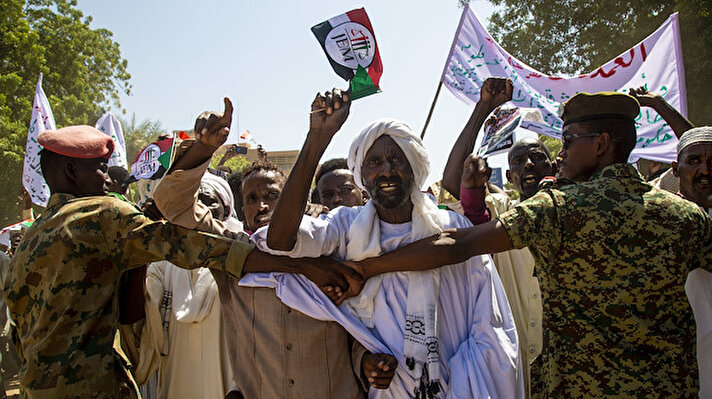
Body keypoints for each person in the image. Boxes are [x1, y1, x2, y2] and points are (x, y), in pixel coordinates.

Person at [357, 91, 712, 397]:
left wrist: (366, 268)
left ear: (601, 145)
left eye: (569, 141)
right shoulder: (686, 216)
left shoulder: (557, 209)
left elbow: (455, 246)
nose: (562, 154)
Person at [3, 124, 358, 398]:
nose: (107, 179)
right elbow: (204, 248)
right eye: (99, 169)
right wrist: (303, 268)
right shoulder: (102, 212)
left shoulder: (30, 237)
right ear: (69, 172)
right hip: (90, 387)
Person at [252, 89, 520, 398]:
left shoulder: (452, 226)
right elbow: (280, 240)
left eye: (397, 160)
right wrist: (317, 139)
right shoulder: (345, 228)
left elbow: (490, 323)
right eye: (375, 162)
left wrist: (465, 387)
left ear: (414, 168)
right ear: (362, 176)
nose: (387, 170)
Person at [152, 97, 370, 399]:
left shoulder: (330, 245)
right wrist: (203, 147)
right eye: (252, 199)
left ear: (297, 202)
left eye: (272, 195)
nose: (262, 205)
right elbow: (170, 204)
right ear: (241, 210)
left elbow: (363, 324)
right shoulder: (228, 249)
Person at [440, 77, 553, 398]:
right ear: (511, 176)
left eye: (537, 157)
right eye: (518, 161)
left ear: (554, 165)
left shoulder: (572, 209)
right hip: (516, 368)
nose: (529, 164)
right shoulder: (502, 211)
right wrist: (483, 108)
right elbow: (452, 181)